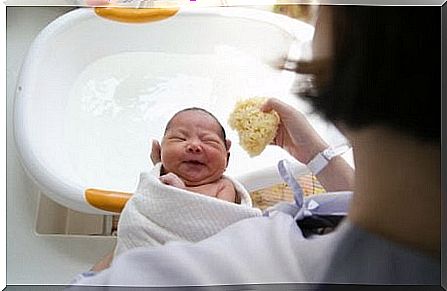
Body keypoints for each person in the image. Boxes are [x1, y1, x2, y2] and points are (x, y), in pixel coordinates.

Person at [69, 5, 440, 287]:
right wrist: (316, 155)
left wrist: (127, 240)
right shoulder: (413, 223)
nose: (193, 146)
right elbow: (371, 202)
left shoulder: (241, 268)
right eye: (179, 139)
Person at [112, 107, 261, 258]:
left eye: (208, 141)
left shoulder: (223, 187)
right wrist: (160, 166)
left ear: (226, 158)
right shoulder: (156, 182)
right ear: (160, 150)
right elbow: (139, 222)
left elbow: (217, 224)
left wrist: (180, 193)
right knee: (113, 259)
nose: (194, 146)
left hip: (193, 263)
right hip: (141, 251)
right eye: (180, 139)